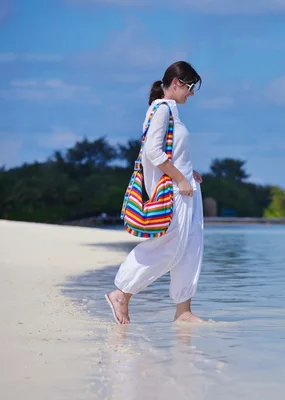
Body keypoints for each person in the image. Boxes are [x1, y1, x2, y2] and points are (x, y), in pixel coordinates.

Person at [105, 61, 205, 324]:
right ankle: (122, 293)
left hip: (185, 189)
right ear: (176, 83)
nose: (191, 94)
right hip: (174, 192)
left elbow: (171, 152)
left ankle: (184, 312)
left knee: (190, 247)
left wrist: (188, 172)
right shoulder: (161, 109)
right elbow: (153, 152)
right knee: (168, 247)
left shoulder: (171, 111)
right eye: (190, 88)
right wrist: (180, 177)